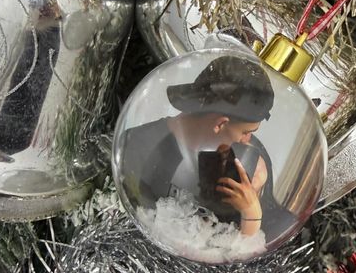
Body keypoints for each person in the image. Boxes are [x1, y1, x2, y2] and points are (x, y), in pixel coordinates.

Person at [120, 55, 282, 241]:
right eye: (245, 132)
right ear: (220, 124)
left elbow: (265, 240)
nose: (247, 140)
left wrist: (252, 210)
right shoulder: (136, 149)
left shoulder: (252, 163)